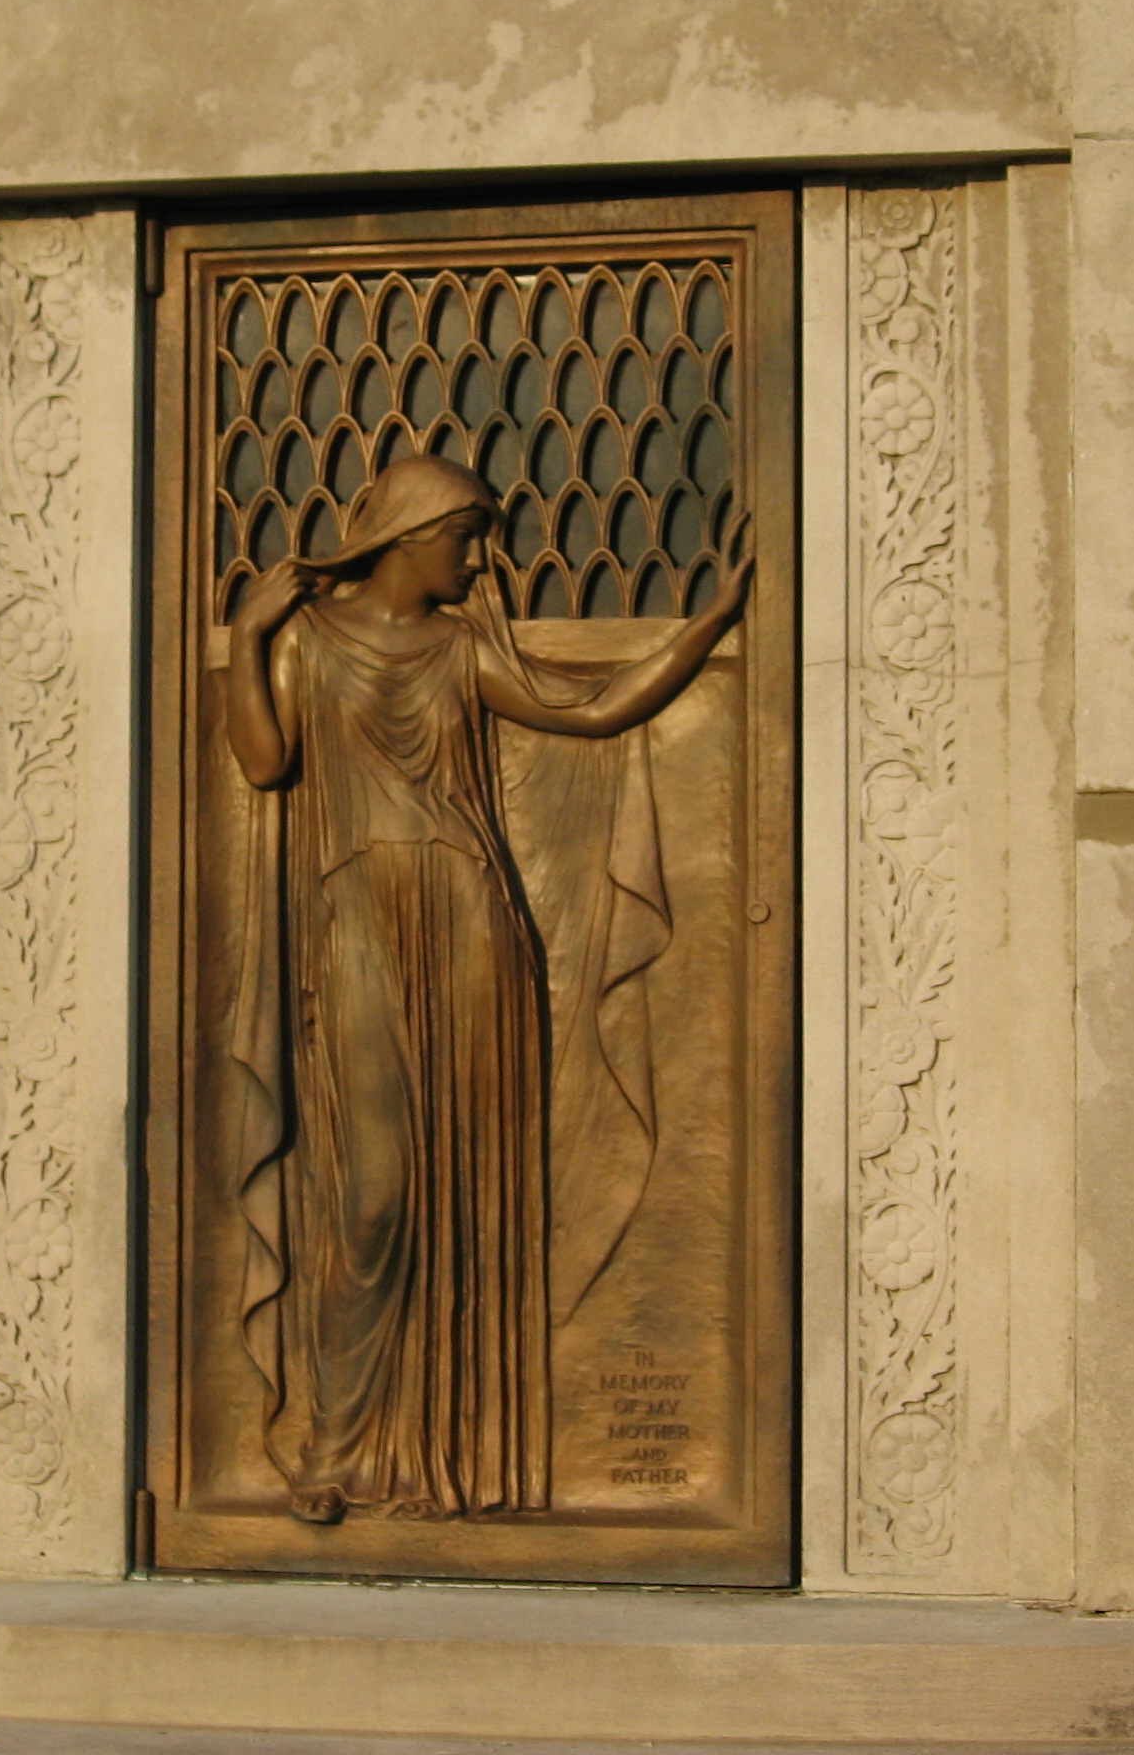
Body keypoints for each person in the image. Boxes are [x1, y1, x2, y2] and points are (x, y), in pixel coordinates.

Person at [222, 454, 750, 1523]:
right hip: (358, 913)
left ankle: (443, 1453)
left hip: (470, 922)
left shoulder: (463, 649)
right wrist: (243, 640)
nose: (475, 559)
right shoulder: (308, 645)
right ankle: (332, 1448)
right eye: (462, 538)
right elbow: (265, 762)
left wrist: (706, 625)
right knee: (370, 1195)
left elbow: (596, 709)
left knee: (463, 1182)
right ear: (409, 537)